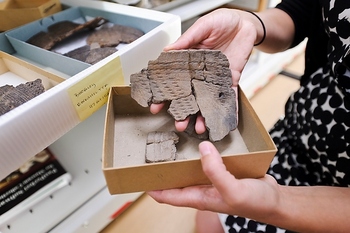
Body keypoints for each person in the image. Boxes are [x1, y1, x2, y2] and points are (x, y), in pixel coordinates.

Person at [147, 0, 350, 232]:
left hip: (337, 201)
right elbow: (304, 11)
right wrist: (251, 24)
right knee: (209, 219)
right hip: (299, 132)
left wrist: (278, 203)